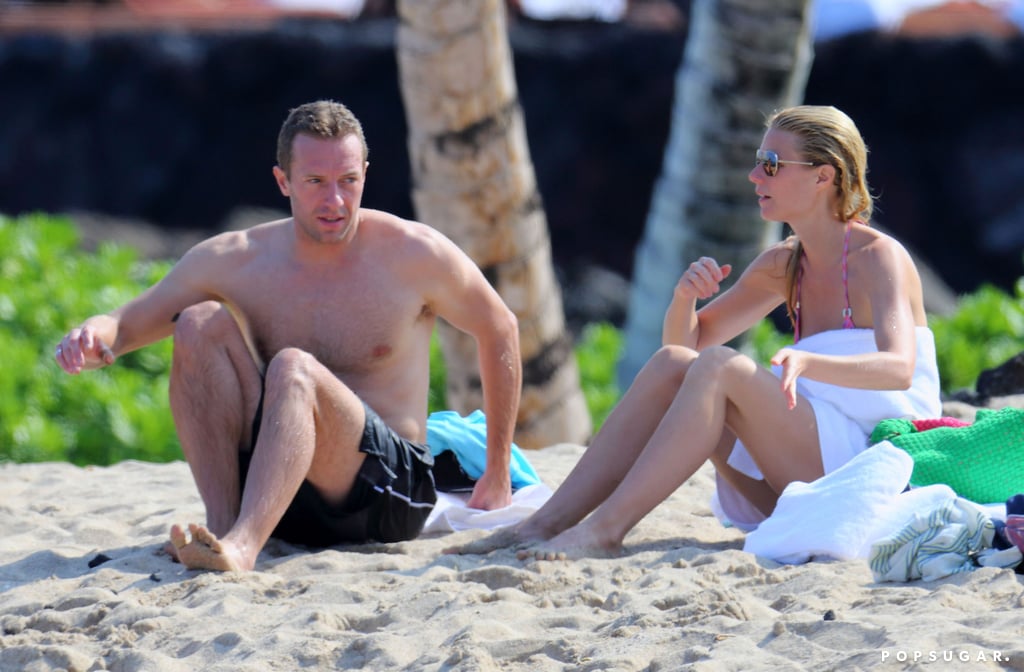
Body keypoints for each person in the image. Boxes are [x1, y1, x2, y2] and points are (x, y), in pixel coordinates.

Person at [447, 104, 941, 560]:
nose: (754, 176)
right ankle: (545, 522)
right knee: (673, 366)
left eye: (771, 163)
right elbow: (683, 351)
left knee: (723, 368)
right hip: (794, 479)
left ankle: (605, 530)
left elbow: (899, 370)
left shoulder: (879, 258)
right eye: (757, 161)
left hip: (866, 471)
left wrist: (811, 361)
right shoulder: (783, 264)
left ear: (823, 176)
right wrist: (686, 298)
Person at [55, 99, 522, 572]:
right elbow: (128, 322)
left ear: (364, 173)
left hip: (385, 498)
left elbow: (500, 327)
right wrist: (93, 338)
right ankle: (223, 527)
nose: (334, 201)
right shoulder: (241, 259)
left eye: (348, 181)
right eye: (316, 182)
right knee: (198, 321)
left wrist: (497, 469)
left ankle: (242, 548)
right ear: (284, 181)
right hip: (279, 493)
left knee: (293, 368)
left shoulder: (412, 254)